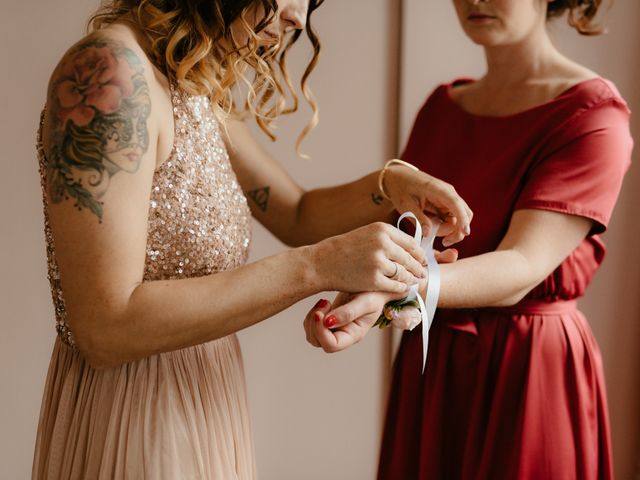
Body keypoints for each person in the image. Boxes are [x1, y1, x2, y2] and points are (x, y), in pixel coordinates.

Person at [33, 0, 472, 478]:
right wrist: (318, 266)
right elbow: (104, 328)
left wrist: (390, 183)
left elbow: (296, 214)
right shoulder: (108, 77)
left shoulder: (187, 78)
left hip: (207, 400)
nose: (298, 19)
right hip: (132, 415)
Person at [304, 0, 633, 478]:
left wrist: (390, 288)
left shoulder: (593, 116)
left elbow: (521, 266)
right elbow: (403, 240)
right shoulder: (442, 108)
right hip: (437, 368)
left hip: (530, 372)